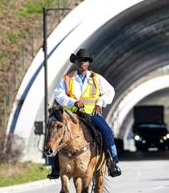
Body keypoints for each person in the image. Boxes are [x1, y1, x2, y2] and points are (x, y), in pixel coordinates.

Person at [48, 49, 121, 179]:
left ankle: (112, 162)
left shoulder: (96, 78)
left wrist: (100, 102)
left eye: (86, 60)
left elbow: (110, 91)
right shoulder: (67, 78)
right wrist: (73, 102)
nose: (83, 63)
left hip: (91, 113)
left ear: (89, 63)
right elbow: (58, 94)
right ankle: (55, 167)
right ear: (76, 62)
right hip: (71, 114)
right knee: (56, 132)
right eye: (81, 60)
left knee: (106, 132)